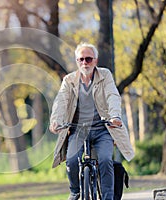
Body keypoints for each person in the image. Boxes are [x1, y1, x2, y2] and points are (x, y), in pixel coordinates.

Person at [49, 42, 134, 200]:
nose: (84, 63)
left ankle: (108, 197)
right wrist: (56, 120)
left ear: (95, 60)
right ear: (76, 61)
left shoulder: (105, 75)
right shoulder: (69, 80)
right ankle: (75, 191)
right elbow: (61, 101)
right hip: (78, 130)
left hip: (103, 129)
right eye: (80, 59)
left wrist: (115, 116)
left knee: (105, 160)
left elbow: (112, 96)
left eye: (88, 59)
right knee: (72, 160)